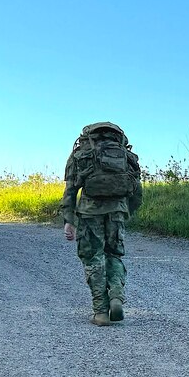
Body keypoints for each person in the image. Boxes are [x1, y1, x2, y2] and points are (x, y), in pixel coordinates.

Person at [61, 122, 143, 326]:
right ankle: (116, 296)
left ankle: (100, 312)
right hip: (117, 211)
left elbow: (71, 190)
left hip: (90, 212)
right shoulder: (125, 154)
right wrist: (125, 212)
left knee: (93, 257)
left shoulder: (81, 153)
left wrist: (69, 221)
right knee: (113, 254)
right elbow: (137, 192)